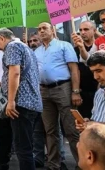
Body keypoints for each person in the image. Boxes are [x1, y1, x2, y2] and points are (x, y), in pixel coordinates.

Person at [34, 22, 81, 170]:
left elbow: (74, 69)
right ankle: (54, 163)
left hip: (63, 88)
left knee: (71, 129)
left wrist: (75, 91)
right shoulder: (37, 51)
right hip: (43, 91)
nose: (41, 31)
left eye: (44, 28)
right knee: (50, 130)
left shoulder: (64, 45)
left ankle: (82, 163)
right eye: (39, 29)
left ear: (53, 30)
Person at [0, 28, 43, 170]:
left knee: (23, 149)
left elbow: (14, 73)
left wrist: (10, 101)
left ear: (2, 38)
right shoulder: (25, 47)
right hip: (32, 103)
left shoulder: (13, 46)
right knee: (26, 147)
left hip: (21, 104)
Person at [72, 21, 99, 118]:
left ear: (94, 31)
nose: (82, 32)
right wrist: (76, 92)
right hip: (82, 93)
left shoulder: (101, 47)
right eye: (80, 30)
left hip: (99, 90)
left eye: (86, 29)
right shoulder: (75, 50)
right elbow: (75, 71)